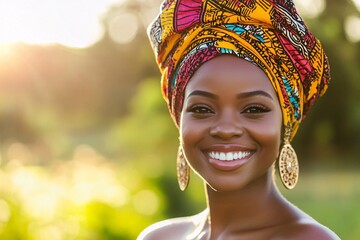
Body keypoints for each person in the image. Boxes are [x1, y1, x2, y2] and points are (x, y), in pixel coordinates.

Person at [139, 0, 340, 239]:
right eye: (202, 109)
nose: (225, 129)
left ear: (285, 123)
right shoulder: (158, 237)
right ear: (179, 117)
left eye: (253, 109)